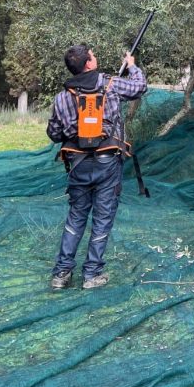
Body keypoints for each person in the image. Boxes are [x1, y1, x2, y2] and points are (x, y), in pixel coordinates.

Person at [47, 44, 147, 290]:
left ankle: (61, 274)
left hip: (78, 164)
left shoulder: (62, 97)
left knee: (76, 217)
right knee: (102, 218)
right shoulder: (110, 84)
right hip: (108, 162)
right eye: (93, 55)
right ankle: (91, 275)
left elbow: (54, 133)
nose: (95, 57)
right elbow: (139, 87)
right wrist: (132, 66)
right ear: (88, 64)